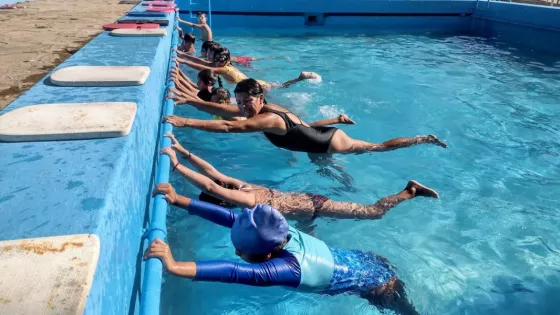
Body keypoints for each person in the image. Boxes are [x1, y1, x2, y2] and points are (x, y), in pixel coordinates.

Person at [145, 186, 420, 315]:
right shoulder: (279, 230)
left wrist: (173, 265)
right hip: (366, 259)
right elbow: (230, 218)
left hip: (379, 286)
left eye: (240, 250)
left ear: (265, 256)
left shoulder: (286, 270)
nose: (238, 254)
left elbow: (234, 272)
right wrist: (178, 199)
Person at [160, 133, 439, 220]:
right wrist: (182, 151)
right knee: (307, 232)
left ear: (224, 201)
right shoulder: (243, 185)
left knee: (374, 212)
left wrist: (175, 167)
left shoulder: (245, 200)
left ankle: (409, 191)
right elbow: (212, 174)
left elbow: (209, 184)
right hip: (306, 205)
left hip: (315, 205)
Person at [163, 78, 448, 156]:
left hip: (330, 142)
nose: (242, 106)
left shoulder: (266, 118)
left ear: (261, 99)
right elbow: (220, 111)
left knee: (377, 148)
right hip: (315, 137)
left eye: (247, 101)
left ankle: (422, 138)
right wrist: (187, 101)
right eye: (239, 102)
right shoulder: (261, 108)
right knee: (320, 161)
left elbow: (227, 126)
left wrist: (185, 121)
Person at [175, 46, 320, 89]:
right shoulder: (225, 65)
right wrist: (182, 55)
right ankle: (299, 79)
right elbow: (201, 63)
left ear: (221, 60)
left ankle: (300, 78)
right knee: (280, 86)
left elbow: (200, 67)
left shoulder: (224, 69)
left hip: (257, 85)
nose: (211, 60)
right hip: (254, 82)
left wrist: (181, 59)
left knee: (282, 87)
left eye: (214, 58)